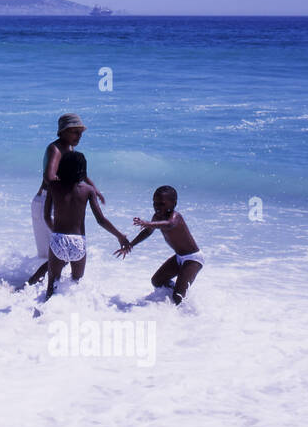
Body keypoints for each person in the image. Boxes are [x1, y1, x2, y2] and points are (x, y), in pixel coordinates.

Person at [27, 114, 106, 286]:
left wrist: (94, 189)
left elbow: (80, 173)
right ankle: (28, 288)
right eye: (75, 132)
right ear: (62, 132)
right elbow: (49, 177)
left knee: (58, 253)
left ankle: (41, 290)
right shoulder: (55, 149)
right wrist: (70, 187)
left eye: (80, 133)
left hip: (54, 203)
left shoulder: (69, 150)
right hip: (46, 203)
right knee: (54, 254)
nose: (78, 136)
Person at [42, 151, 130, 299]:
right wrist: (120, 236)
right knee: (76, 285)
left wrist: (55, 234)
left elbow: (46, 216)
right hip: (78, 243)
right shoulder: (88, 190)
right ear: (83, 170)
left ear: (61, 167)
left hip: (58, 239)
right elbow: (101, 220)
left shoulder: (53, 186)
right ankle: (73, 314)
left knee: (52, 285)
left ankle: (42, 317)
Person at [116, 185, 205, 305]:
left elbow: (168, 224)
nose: (157, 207)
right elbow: (147, 232)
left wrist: (148, 223)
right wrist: (131, 245)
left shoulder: (175, 217)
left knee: (178, 297)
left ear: (173, 204)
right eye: (155, 203)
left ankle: (186, 308)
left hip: (193, 259)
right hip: (179, 257)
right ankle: (178, 292)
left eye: (161, 204)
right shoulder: (157, 217)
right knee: (157, 281)